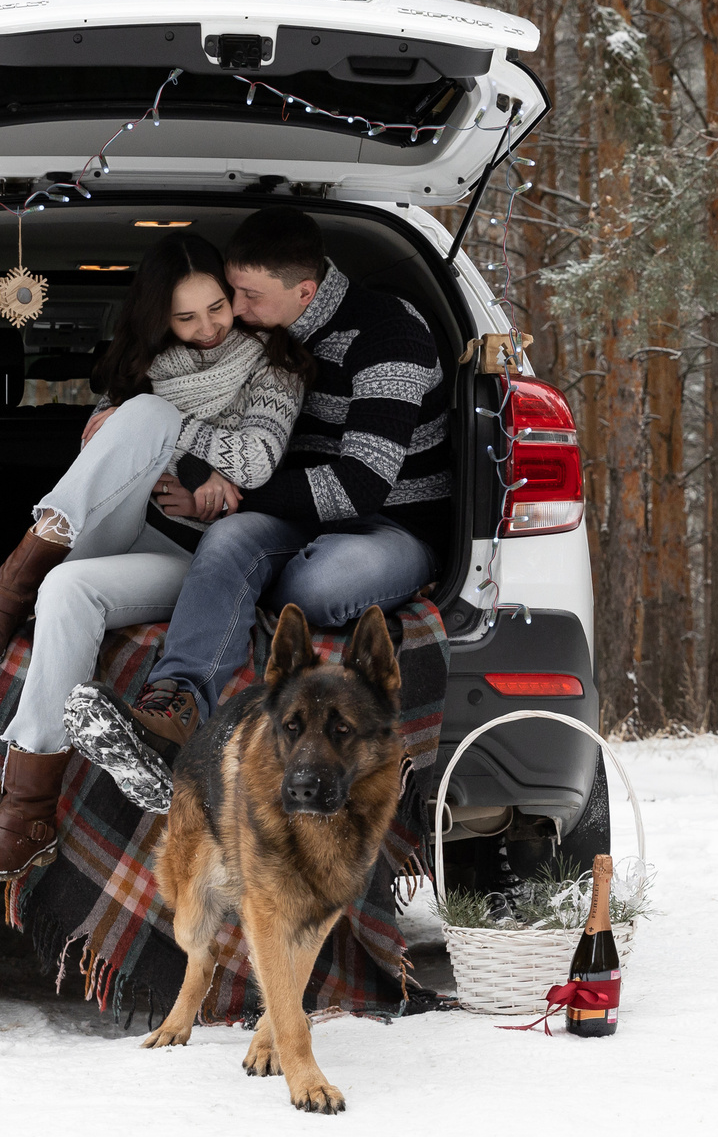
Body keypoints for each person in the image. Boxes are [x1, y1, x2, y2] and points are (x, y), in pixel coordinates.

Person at [0, 235, 307, 880]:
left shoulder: (272, 368)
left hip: (193, 560)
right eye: (186, 317)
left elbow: (256, 460)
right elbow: (153, 443)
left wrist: (172, 441)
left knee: (68, 589)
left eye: (218, 308)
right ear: (160, 318)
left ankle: (26, 810)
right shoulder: (148, 375)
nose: (207, 328)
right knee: (139, 413)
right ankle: (16, 579)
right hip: (121, 523)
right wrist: (141, 426)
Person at [77, 207, 452, 774]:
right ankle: (172, 708)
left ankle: (259, 593)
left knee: (319, 584)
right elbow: (166, 378)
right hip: (295, 513)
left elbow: (362, 485)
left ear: (305, 291)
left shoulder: (388, 334)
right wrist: (122, 417)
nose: (234, 310)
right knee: (227, 542)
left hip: (388, 522)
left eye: (247, 295)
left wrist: (229, 492)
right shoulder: (260, 335)